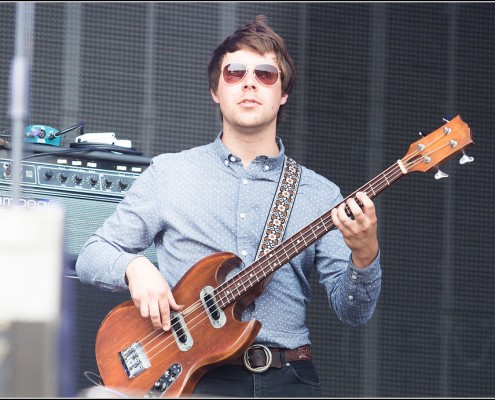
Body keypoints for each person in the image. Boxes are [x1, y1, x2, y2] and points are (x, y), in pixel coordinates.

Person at [75, 15, 382, 398]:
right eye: (235, 72)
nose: (250, 82)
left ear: (283, 93)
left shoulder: (318, 193)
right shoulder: (169, 173)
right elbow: (91, 255)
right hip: (193, 378)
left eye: (266, 75)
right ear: (215, 91)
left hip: (288, 378)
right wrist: (134, 266)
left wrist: (365, 254)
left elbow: (354, 312)